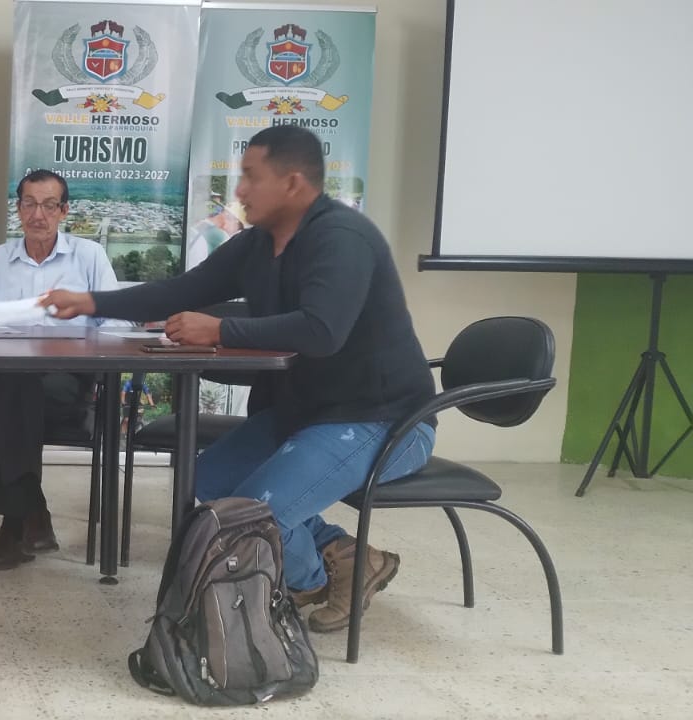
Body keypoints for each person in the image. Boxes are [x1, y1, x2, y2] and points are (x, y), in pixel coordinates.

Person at [43, 125, 438, 631]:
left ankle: (310, 578)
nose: (240, 190)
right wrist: (90, 301)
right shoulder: (257, 243)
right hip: (304, 413)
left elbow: (321, 331)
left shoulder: (343, 238)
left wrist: (220, 329)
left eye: (251, 177)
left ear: (292, 183)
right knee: (208, 482)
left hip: (382, 419)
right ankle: (342, 560)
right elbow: (180, 290)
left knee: (254, 512)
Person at [0, 169, 123, 569]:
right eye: (29, 204)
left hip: (67, 379)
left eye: (49, 205)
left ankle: (17, 525)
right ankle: (32, 514)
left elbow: (118, 322)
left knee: (4, 404)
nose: (38, 215)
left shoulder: (88, 256)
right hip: (10, 374)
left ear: (64, 211)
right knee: (13, 385)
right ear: (18, 208)